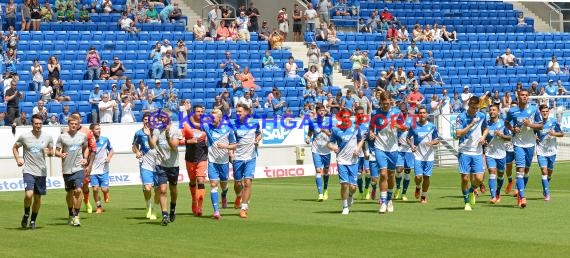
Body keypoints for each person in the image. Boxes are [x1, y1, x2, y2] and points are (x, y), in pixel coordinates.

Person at [13, 114, 54, 230]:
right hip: (28, 170)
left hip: (41, 172)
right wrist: (18, 159)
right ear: (32, 124)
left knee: (37, 198)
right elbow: (15, 147)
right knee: (28, 194)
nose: (38, 126)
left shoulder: (48, 137)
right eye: (36, 123)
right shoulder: (25, 136)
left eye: (40, 124)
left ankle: (33, 220)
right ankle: (26, 214)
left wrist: (49, 152)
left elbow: (52, 152)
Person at [505, 89, 543, 208]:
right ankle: (522, 197)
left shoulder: (533, 109)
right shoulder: (512, 110)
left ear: (529, 97)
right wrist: (512, 129)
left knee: (526, 171)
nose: (524, 97)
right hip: (518, 144)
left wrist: (530, 125)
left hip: (530, 144)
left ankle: (519, 189)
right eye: (522, 95)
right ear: (518, 96)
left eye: (526, 95)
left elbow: (541, 125)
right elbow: (506, 122)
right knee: (520, 170)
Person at [369, 93, 405, 213]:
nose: (385, 105)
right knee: (383, 174)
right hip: (379, 147)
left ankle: (389, 199)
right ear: (380, 102)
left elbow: (405, 127)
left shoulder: (397, 112)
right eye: (383, 103)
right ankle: (383, 202)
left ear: (390, 101)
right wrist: (371, 133)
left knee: (390, 175)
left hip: (393, 148)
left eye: (387, 103)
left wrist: (398, 125)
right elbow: (371, 126)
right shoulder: (375, 113)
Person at [148, 112, 183, 226]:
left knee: (173, 189)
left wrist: (168, 136)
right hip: (161, 164)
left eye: (164, 118)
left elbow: (174, 147)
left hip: (173, 165)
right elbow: (152, 145)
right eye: (161, 118)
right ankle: (164, 214)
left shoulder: (176, 130)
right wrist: (149, 135)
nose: (162, 120)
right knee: (163, 190)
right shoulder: (157, 130)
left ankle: (173, 207)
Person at [328, 108, 364, 215]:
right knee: (344, 184)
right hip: (341, 160)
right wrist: (333, 147)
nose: (346, 119)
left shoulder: (355, 127)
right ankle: (345, 207)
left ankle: (350, 196)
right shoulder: (335, 130)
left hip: (353, 161)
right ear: (340, 117)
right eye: (344, 117)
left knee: (353, 187)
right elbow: (329, 143)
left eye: (348, 117)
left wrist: (358, 148)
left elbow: (361, 139)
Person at [55, 114, 89, 226]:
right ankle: (70, 213)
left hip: (79, 168)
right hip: (67, 169)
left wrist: (85, 158)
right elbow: (56, 151)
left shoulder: (83, 136)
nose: (73, 125)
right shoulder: (62, 137)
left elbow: (86, 148)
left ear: (78, 124)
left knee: (78, 190)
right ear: (68, 124)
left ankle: (76, 216)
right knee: (70, 192)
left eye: (75, 124)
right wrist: (61, 154)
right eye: (71, 124)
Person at [203, 109, 236, 219]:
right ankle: (216, 211)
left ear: (220, 118)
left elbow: (234, 145)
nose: (211, 119)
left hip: (224, 162)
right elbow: (197, 121)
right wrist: (187, 111)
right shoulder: (208, 128)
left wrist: (225, 147)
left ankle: (224, 194)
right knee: (213, 185)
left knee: (224, 185)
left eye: (214, 117)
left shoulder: (228, 129)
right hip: (212, 161)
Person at [455, 96, 487, 211]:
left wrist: (483, 137)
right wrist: (471, 125)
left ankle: (471, 191)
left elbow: (486, 128)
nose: (475, 110)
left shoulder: (482, 115)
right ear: (469, 105)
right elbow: (458, 134)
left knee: (479, 179)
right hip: (464, 151)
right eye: (473, 108)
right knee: (464, 179)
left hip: (477, 151)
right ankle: (466, 202)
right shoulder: (461, 117)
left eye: (477, 108)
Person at [232, 104, 261, 218]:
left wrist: (257, 140)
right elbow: (231, 140)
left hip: (251, 157)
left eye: (240, 111)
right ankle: (239, 196)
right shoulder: (233, 124)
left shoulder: (254, 122)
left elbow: (259, 134)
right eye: (237, 111)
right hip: (238, 157)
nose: (238, 113)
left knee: (248, 182)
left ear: (246, 112)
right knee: (238, 183)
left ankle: (244, 208)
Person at [406, 106, 439, 204]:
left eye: (424, 112)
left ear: (427, 114)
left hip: (429, 156)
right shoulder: (414, 126)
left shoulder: (432, 126)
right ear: (418, 115)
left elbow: (437, 140)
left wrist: (432, 143)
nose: (422, 114)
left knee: (426, 177)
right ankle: (417, 187)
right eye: (420, 113)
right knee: (418, 177)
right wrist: (412, 146)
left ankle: (424, 196)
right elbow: (408, 138)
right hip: (418, 155)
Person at [132, 112, 159, 220]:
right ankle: (148, 206)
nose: (147, 121)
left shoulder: (158, 132)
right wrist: (137, 152)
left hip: (158, 164)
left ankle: (155, 210)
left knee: (158, 189)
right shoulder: (139, 133)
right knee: (147, 188)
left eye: (149, 119)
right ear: (143, 120)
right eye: (145, 119)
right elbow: (134, 146)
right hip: (145, 164)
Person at [181, 105, 208, 217]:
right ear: (194, 113)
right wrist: (188, 141)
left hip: (202, 158)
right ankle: (194, 200)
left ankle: (199, 207)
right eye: (198, 111)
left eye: (202, 111)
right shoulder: (186, 125)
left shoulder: (206, 126)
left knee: (201, 180)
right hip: (190, 158)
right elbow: (180, 140)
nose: (200, 113)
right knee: (192, 181)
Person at [483, 105, 511, 204]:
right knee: (491, 172)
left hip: (501, 153)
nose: (491, 111)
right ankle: (493, 196)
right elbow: (483, 136)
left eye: (494, 110)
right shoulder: (485, 124)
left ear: (498, 112)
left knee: (500, 175)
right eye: (490, 110)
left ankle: (498, 193)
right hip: (489, 153)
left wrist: (501, 135)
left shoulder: (503, 123)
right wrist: (484, 141)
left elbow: (509, 137)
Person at [535, 104, 563, 201]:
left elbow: (561, 134)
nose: (545, 113)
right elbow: (531, 134)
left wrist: (554, 133)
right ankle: (547, 194)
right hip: (541, 151)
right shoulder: (537, 124)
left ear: (549, 112)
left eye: (546, 111)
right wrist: (534, 137)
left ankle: (545, 186)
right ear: (540, 112)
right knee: (544, 171)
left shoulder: (554, 122)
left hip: (552, 151)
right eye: (543, 111)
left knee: (549, 173)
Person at [306, 104, 331, 202]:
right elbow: (310, 132)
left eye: (323, 110)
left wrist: (326, 131)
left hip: (326, 150)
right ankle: (320, 193)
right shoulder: (312, 122)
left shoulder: (328, 122)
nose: (322, 112)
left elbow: (332, 135)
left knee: (325, 172)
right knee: (317, 170)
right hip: (316, 150)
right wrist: (308, 138)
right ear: (317, 111)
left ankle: (325, 188)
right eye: (320, 110)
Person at [89, 123, 113, 214]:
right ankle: (99, 206)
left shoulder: (105, 140)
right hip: (92, 170)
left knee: (104, 189)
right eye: (96, 129)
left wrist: (109, 157)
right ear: (92, 131)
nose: (99, 130)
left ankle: (106, 192)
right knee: (95, 189)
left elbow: (111, 150)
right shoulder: (88, 142)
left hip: (103, 169)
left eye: (99, 129)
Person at [394, 103, 414, 201]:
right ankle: (398, 188)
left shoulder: (412, 118)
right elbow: (395, 127)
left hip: (409, 149)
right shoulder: (397, 118)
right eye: (400, 110)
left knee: (407, 172)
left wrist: (399, 126)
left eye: (403, 110)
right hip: (399, 148)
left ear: (407, 110)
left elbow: (409, 129)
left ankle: (404, 193)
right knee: (398, 170)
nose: (402, 112)